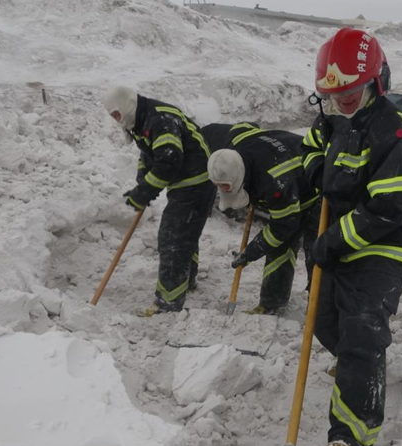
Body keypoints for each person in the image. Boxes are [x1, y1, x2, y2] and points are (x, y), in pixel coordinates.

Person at [301, 29, 402, 446]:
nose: (343, 99)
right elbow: (311, 146)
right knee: (323, 318)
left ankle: (351, 435)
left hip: (384, 241)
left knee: (362, 328)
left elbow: (388, 209)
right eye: (334, 93)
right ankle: (355, 368)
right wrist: (315, 168)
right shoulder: (333, 118)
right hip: (340, 233)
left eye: (351, 90)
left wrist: (332, 242)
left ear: (376, 82)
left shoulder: (397, 133)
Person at [103, 86, 216, 317]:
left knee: (173, 237)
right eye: (113, 116)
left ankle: (168, 301)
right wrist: (142, 184)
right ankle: (185, 280)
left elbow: (169, 161)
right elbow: (148, 154)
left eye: (117, 114)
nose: (117, 120)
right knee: (184, 233)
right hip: (188, 181)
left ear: (126, 104)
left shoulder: (160, 119)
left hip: (196, 181)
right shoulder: (141, 119)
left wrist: (144, 192)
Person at [203, 122, 319, 315]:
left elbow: (282, 228)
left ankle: (320, 311)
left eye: (225, 186)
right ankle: (272, 304)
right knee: (279, 248)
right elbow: (246, 126)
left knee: (317, 253)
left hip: (317, 191)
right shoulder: (234, 145)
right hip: (286, 177)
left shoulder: (275, 183)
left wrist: (250, 252)